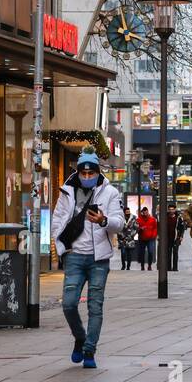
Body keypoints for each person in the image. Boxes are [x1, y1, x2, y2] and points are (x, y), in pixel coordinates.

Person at [53, 152, 125, 369]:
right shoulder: (67, 192)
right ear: (78, 172)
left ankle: (89, 350)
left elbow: (119, 223)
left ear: (97, 172)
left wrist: (103, 220)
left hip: (98, 260)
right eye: (83, 173)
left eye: (90, 172)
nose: (86, 176)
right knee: (68, 304)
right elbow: (57, 219)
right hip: (74, 255)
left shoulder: (110, 193)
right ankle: (80, 337)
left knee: (95, 306)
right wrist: (62, 247)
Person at [166, 205, 183, 271]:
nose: (171, 211)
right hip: (168, 238)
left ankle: (175, 268)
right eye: (170, 209)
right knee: (168, 253)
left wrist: (181, 236)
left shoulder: (178, 218)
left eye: (172, 209)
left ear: (175, 210)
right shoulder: (165, 217)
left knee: (175, 253)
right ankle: (168, 267)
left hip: (176, 237)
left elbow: (181, 228)